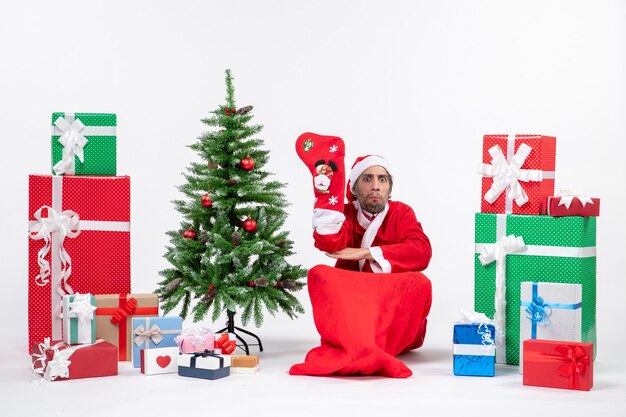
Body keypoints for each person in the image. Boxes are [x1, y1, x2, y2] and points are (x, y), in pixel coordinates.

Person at [290, 132, 433, 378]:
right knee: (318, 274)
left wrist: (364, 253)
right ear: (355, 188)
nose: (376, 185)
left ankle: (372, 346)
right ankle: (361, 346)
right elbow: (328, 242)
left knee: (420, 283)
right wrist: (328, 205)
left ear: (389, 188)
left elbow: (421, 251)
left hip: (387, 297)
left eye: (382, 179)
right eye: (367, 179)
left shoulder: (401, 213)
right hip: (354, 294)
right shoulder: (344, 213)